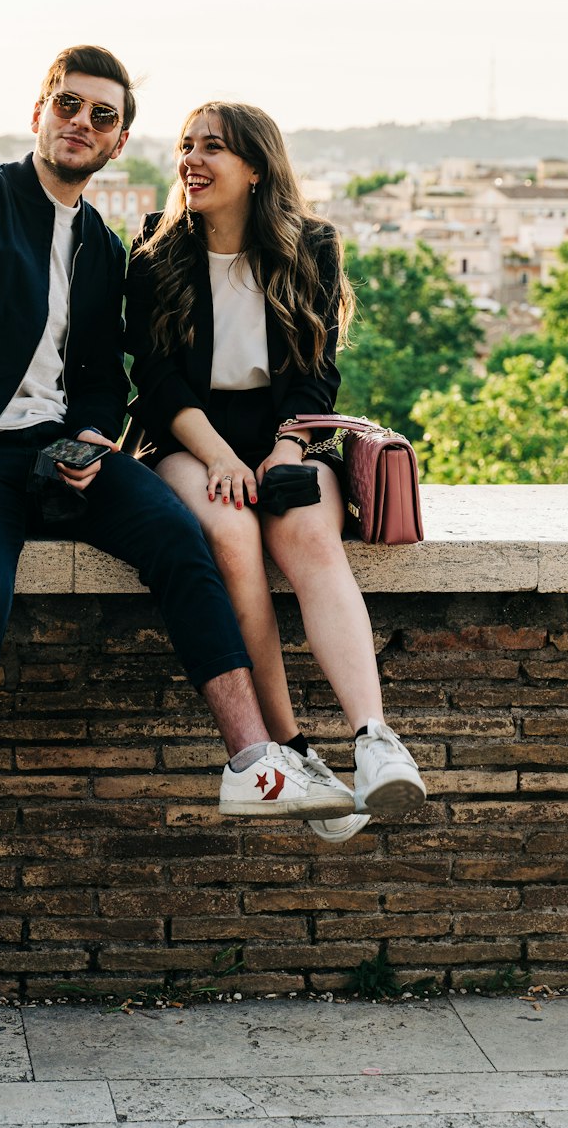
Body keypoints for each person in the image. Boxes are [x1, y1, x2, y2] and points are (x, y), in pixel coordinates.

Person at [0, 30, 358, 961]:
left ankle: (253, 759)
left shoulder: (99, 246)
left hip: (61, 455)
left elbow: (102, 376)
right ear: (40, 113)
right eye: (69, 105)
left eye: (103, 114)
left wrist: (92, 436)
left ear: (119, 139)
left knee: (184, 535)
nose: (82, 123)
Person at [124, 100, 427, 845]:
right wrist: (221, 457)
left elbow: (315, 372)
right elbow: (157, 382)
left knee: (311, 542)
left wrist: (287, 448)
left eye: (214, 149)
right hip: (189, 437)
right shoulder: (154, 251)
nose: (192, 160)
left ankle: (374, 739)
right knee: (232, 539)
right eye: (186, 147)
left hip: (285, 434)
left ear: (256, 168)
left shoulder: (309, 246)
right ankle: (294, 753)